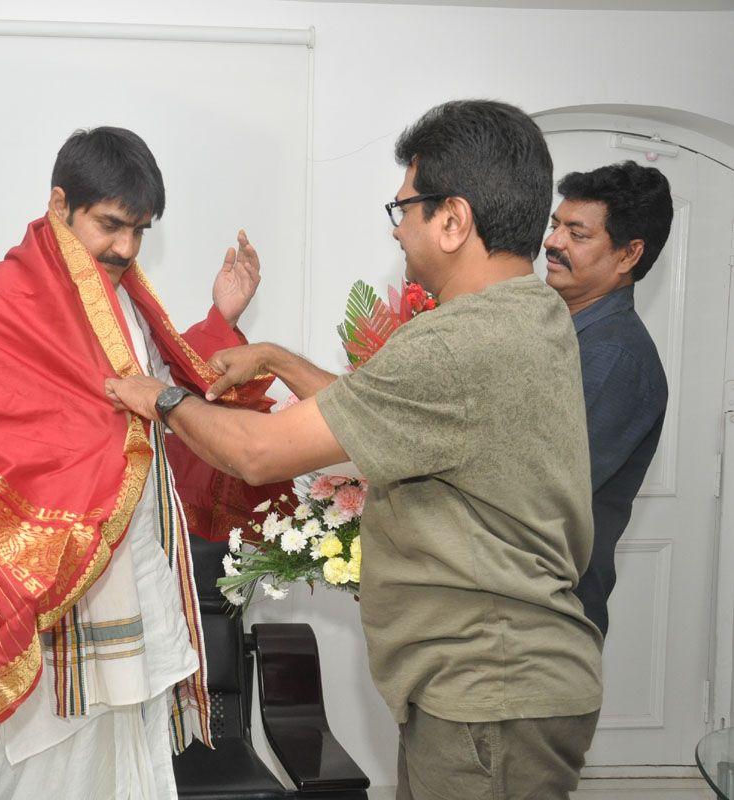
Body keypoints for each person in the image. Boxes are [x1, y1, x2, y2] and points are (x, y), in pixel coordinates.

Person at [105, 101, 605, 800]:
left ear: (453, 219)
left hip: (488, 692)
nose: (398, 230)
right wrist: (275, 356)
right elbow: (376, 411)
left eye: (403, 209)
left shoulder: (458, 345)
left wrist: (157, 398)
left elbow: (259, 454)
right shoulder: (529, 312)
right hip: (503, 684)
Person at [0, 126, 273, 799]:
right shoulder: (0, 302)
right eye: (111, 225)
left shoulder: (123, 295)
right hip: (50, 600)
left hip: (133, 574)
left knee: (131, 767)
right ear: (58, 203)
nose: (126, 247)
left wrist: (219, 319)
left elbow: (153, 395)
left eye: (141, 230)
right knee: (52, 778)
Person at [543, 160, 672, 637]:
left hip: (549, 619)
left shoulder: (615, 355)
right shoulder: (561, 327)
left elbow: (545, 490)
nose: (552, 242)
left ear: (627, 255)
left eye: (577, 233)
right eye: (556, 225)